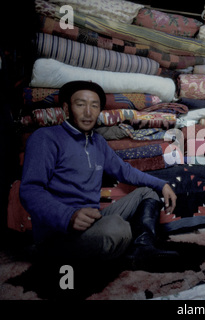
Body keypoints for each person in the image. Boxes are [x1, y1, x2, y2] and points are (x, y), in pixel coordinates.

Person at [19, 80, 178, 268]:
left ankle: (142, 248)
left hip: (93, 219)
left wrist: (162, 184)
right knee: (117, 230)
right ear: (66, 109)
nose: (88, 112)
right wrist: (68, 216)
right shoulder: (45, 138)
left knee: (147, 192)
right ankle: (45, 253)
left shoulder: (98, 142)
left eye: (94, 106)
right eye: (80, 104)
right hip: (59, 231)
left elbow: (125, 171)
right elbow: (30, 190)